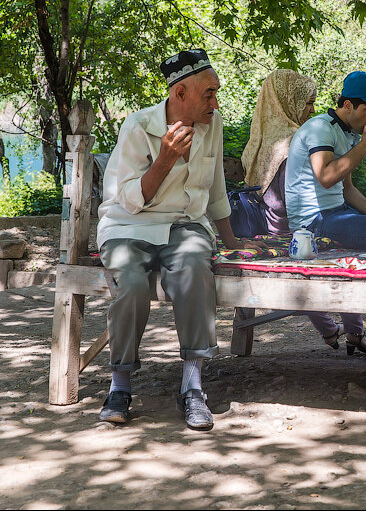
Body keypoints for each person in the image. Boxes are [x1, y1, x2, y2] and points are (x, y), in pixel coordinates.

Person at [96, 49, 260, 431]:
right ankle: (119, 385)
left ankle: (192, 387)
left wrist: (230, 240)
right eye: (208, 94)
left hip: (185, 225)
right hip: (129, 225)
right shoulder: (139, 127)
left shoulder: (212, 124)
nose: (215, 103)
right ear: (180, 93)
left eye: (216, 93)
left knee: (194, 270)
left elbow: (216, 186)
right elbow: (130, 199)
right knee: (132, 284)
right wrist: (165, 160)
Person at [284, 71, 366, 354]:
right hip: (314, 222)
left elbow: (346, 189)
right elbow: (325, 176)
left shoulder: (346, 132)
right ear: (348, 105)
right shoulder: (320, 128)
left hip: (337, 212)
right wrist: (365, 145)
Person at [236, 69, 317, 236]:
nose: (313, 110)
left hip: (260, 225)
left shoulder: (258, 140)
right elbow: (298, 202)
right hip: (291, 232)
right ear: (290, 102)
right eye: (308, 103)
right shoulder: (295, 142)